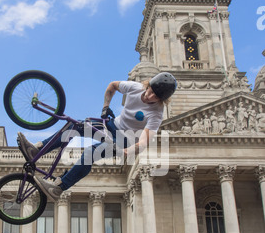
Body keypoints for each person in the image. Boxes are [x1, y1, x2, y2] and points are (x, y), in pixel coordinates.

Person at [17, 73, 177, 201]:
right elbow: (112, 86)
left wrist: (128, 151)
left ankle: (59, 187)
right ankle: (36, 150)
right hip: (111, 125)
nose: (150, 97)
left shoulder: (156, 113)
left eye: (155, 97)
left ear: (161, 100)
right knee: (75, 126)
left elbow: (143, 141)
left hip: (125, 140)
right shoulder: (135, 88)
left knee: (89, 154)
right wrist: (105, 108)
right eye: (150, 91)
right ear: (148, 85)